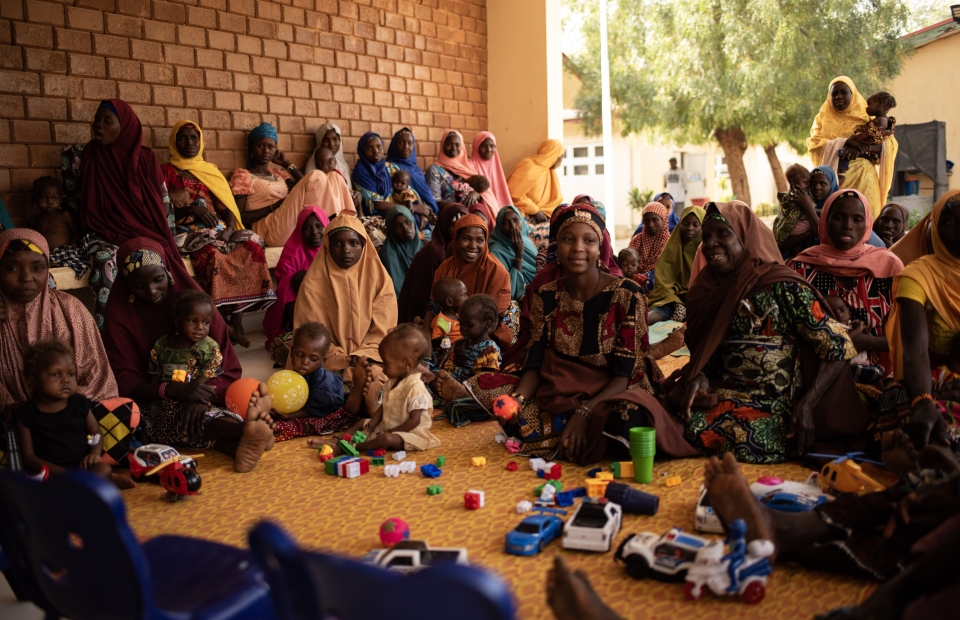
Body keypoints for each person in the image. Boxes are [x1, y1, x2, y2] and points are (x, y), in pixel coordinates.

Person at [439, 207, 696, 464]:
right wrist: (516, 400)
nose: (577, 248)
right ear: (556, 245)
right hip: (562, 387)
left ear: (599, 248)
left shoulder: (628, 294)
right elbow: (535, 361)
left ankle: (575, 429)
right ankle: (584, 434)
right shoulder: (546, 295)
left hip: (616, 389)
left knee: (631, 416)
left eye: (588, 240)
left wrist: (584, 412)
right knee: (489, 388)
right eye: (568, 239)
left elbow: (626, 373)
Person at [675, 202, 868, 464]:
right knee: (669, 418)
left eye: (723, 233)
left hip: (774, 404)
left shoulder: (783, 287)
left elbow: (839, 346)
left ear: (746, 237)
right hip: (726, 396)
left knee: (747, 438)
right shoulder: (707, 291)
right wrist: (702, 375)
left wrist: (808, 406)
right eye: (706, 236)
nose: (710, 243)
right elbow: (708, 352)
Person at [101, 237, 273, 473]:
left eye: (158, 279)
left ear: (169, 274)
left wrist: (201, 397)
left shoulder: (193, 306)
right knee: (160, 420)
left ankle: (244, 434)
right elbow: (124, 380)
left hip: (204, 389)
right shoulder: (119, 319)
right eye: (139, 285)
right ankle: (243, 434)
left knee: (201, 413)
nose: (151, 291)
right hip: (154, 397)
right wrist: (170, 390)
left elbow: (226, 367)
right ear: (126, 284)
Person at [164, 120, 275, 347]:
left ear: (201, 142)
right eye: (183, 138)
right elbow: (161, 210)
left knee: (253, 244)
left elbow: (226, 207)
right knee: (215, 256)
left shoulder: (210, 171)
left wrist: (228, 231)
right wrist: (192, 209)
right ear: (174, 143)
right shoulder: (166, 172)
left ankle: (237, 318)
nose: (189, 143)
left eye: (194, 138)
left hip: (219, 230)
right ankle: (221, 321)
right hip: (186, 232)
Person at [79, 99, 178, 330]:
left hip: (144, 230)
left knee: (152, 260)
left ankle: (162, 332)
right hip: (103, 232)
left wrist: (151, 234)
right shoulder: (91, 154)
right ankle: (113, 339)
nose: (98, 126)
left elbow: (162, 201)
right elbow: (89, 203)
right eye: (96, 121)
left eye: (107, 121)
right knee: (105, 263)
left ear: (125, 126)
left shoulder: (145, 157)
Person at [0, 229, 117, 409]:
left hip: (69, 417)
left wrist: (55, 411)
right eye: (12, 268)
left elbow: (97, 378)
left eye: (37, 268)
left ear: (47, 270)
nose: (26, 278)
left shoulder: (70, 309)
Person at [792, 189, 904, 378]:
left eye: (857, 219)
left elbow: (908, 334)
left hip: (880, 376)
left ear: (867, 224)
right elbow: (792, 329)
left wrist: (869, 343)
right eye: (838, 217)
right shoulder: (802, 267)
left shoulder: (889, 268)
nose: (847, 226)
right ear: (825, 221)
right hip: (812, 373)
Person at [884, 190, 960, 457]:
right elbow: (914, 348)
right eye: (951, 222)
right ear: (938, 228)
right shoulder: (916, 275)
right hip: (926, 384)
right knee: (933, 437)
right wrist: (923, 401)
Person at [15, 340, 133, 488]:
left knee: (103, 468)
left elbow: (95, 433)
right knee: (38, 485)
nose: (66, 380)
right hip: (52, 472)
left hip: (82, 468)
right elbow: (29, 457)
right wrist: (62, 473)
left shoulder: (79, 404)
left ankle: (94, 482)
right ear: (33, 380)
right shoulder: (26, 414)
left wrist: (95, 453)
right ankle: (95, 485)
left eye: (71, 374)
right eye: (56, 374)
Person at [293, 214, 397, 374]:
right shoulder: (312, 284)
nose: (345, 250)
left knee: (389, 371)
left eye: (353, 243)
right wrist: (344, 359)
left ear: (364, 246)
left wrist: (363, 354)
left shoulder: (380, 280)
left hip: (371, 356)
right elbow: (310, 333)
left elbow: (383, 329)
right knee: (314, 373)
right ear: (327, 246)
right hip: (325, 358)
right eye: (337, 244)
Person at [230, 122, 353, 246]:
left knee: (333, 176)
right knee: (317, 175)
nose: (265, 151)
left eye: (270, 147)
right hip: (269, 230)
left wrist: (287, 164)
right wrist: (273, 207)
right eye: (260, 146)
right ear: (251, 148)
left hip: (288, 223)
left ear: (275, 150)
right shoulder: (243, 176)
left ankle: (344, 224)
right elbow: (239, 217)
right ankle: (334, 227)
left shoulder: (278, 175)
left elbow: (307, 186)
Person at [329, 324, 440, 453]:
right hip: (388, 426)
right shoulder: (391, 382)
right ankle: (338, 440)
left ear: (407, 364)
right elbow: (383, 408)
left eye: (386, 363)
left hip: (410, 434)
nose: (381, 366)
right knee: (362, 423)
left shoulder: (415, 387)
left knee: (386, 439)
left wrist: (390, 432)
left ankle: (354, 448)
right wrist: (368, 429)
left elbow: (414, 422)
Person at [806, 77, 898, 218]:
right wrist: (847, 142)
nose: (839, 97)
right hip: (836, 180)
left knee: (867, 219)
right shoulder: (822, 119)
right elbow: (814, 145)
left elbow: (888, 145)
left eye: (844, 92)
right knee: (836, 220)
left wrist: (862, 148)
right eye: (834, 94)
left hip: (865, 178)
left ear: (852, 94)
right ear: (829, 96)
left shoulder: (867, 116)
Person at [428, 213, 515, 349]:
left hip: (485, 331)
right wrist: (427, 342)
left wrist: (464, 343)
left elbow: (493, 320)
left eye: (480, 240)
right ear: (456, 240)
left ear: (486, 242)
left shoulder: (497, 271)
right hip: (449, 330)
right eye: (466, 239)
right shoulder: (445, 269)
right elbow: (433, 307)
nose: (473, 246)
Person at [270, 322, 360, 442]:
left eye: (313, 359)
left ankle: (358, 388)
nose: (305, 362)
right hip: (310, 407)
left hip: (332, 411)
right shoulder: (294, 375)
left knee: (280, 427)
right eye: (300, 355)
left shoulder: (323, 381)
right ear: (292, 352)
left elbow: (317, 409)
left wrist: (288, 416)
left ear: (323, 361)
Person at [262, 206, 329, 348]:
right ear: (300, 230)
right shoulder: (292, 252)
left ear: (326, 225)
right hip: (299, 306)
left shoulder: (332, 248)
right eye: (307, 228)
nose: (314, 232)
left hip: (329, 301)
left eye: (319, 226)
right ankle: (301, 332)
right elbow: (283, 288)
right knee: (294, 280)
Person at [397, 203, 468, 323]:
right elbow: (422, 298)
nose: (459, 230)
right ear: (444, 225)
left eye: (464, 225)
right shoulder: (434, 253)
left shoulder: (464, 250)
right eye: (453, 225)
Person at [646, 205, 706, 324]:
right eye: (685, 223)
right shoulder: (672, 247)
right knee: (661, 309)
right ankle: (633, 324)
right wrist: (675, 299)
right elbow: (664, 282)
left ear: (703, 226)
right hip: (673, 298)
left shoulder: (708, 250)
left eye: (695, 224)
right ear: (679, 224)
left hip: (700, 299)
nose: (689, 228)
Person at [440, 294, 501, 384]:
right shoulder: (461, 344)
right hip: (451, 383)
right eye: (461, 324)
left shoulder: (489, 349)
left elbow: (483, 381)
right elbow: (449, 366)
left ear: (487, 324)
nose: (463, 328)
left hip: (469, 390)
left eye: (469, 325)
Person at [426, 130, 491, 210]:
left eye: (457, 145)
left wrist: (475, 194)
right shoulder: (434, 170)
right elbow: (435, 201)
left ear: (462, 147)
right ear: (442, 145)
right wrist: (458, 208)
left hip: (471, 212)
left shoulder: (468, 167)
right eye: (449, 144)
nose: (453, 148)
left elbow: (484, 192)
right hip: (449, 213)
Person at [506, 139, 565, 225]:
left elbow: (555, 201)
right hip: (520, 216)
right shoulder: (528, 165)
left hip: (542, 218)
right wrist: (535, 211)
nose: (561, 160)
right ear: (553, 155)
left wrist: (542, 214)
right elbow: (513, 193)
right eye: (561, 156)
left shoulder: (550, 172)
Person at [838, 92, 897, 176]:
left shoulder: (881, 121)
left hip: (868, 153)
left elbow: (878, 137)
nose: (866, 108)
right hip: (867, 150)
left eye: (869, 104)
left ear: (879, 104)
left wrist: (857, 143)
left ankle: (841, 174)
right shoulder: (884, 121)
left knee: (843, 152)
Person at [487, 205, 538, 301]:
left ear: (521, 221)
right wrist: (518, 254)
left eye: (516, 220)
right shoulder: (496, 251)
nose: (513, 226)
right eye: (506, 223)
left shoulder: (526, 241)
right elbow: (511, 289)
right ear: (499, 227)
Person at [385, 127, 439, 215]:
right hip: (404, 211)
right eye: (401, 143)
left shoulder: (417, 170)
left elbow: (426, 196)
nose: (406, 147)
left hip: (426, 211)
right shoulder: (389, 167)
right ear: (394, 145)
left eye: (410, 143)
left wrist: (427, 212)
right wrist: (416, 208)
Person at [773, 164, 818, 259]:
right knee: (797, 252)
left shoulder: (790, 196)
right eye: (805, 182)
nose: (808, 186)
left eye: (809, 183)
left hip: (795, 232)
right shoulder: (798, 196)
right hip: (795, 229)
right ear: (793, 181)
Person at [378, 206, 423, 297]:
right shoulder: (387, 255)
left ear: (414, 222)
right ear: (391, 231)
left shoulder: (425, 247)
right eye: (398, 226)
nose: (405, 228)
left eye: (408, 222)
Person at [351, 132, 396, 217]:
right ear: (363, 151)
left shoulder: (390, 167)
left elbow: (407, 189)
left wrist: (416, 206)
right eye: (369, 148)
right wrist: (406, 208)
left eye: (379, 147)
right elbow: (377, 204)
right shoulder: (360, 173)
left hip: (396, 215)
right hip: (374, 218)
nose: (376, 151)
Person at [628, 201, 671, 289]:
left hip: (661, 287)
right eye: (647, 221)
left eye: (655, 220)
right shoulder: (636, 240)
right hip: (635, 286)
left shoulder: (670, 243)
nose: (650, 225)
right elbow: (627, 265)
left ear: (664, 220)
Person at [427, 278, 467, 371]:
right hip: (451, 353)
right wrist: (444, 340)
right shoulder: (441, 321)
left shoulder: (460, 314)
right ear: (449, 302)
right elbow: (434, 340)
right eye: (464, 295)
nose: (467, 298)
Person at [471, 132, 512, 210]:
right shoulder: (470, 165)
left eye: (492, 146)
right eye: (483, 146)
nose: (488, 150)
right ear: (476, 147)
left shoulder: (496, 165)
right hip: (481, 208)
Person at [664, 157, 688, 228]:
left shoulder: (681, 172)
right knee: (670, 215)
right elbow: (666, 184)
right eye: (671, 162)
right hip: (670, 198)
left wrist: (684, 193)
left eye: (673, 162)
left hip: (679, 198)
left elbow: (685, 184)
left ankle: (679, 229)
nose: (672, 164)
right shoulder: (667, 172)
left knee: (679, 215)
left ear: (676, 162)